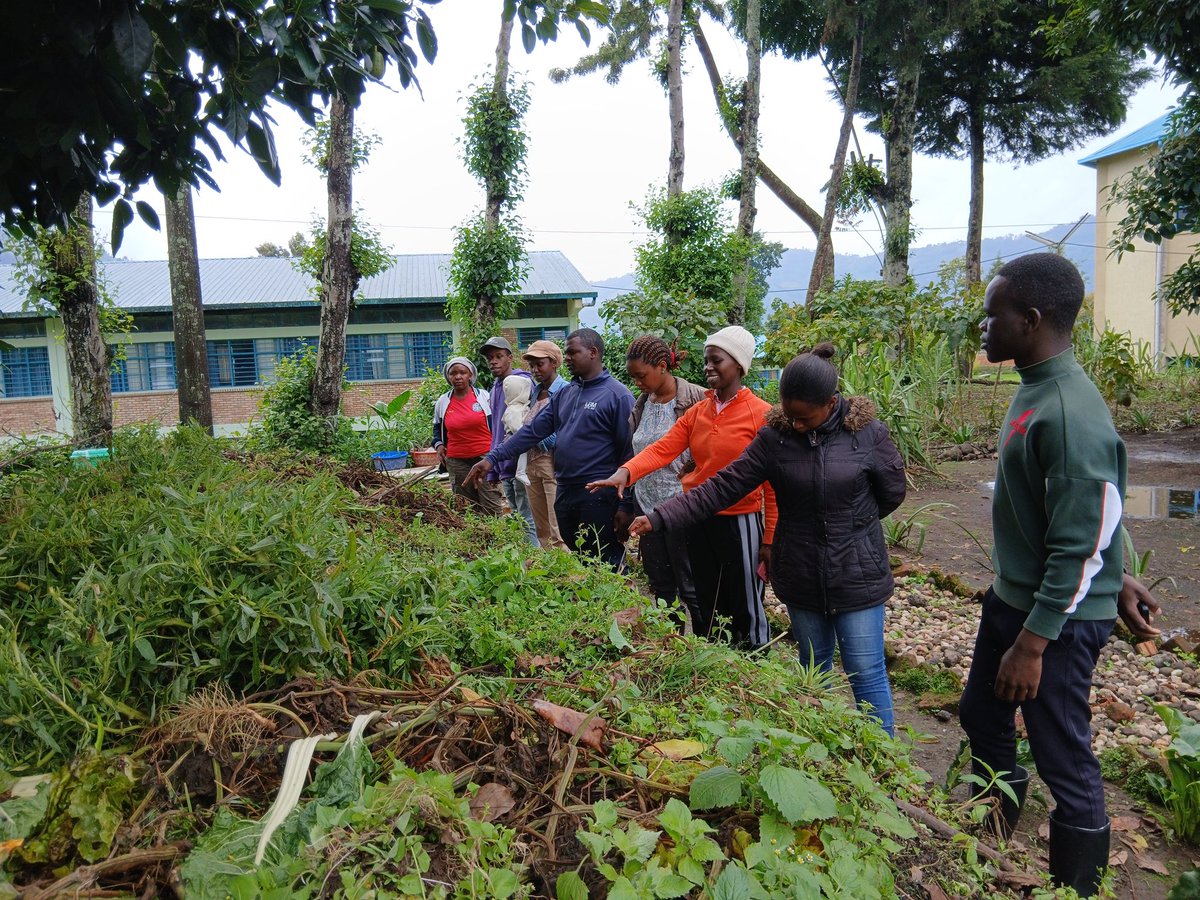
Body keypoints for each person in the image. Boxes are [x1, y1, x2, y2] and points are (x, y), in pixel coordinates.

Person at [957, 253, 1161, 897]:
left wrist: (1033, 643)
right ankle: (989, 833)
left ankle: (1075, 889)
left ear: (1031, 319)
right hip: (1015, 599)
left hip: (1054, 625)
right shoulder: (1037, 387)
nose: (983, 328)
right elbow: (1085, 509)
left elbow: (1083, 534)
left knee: (1063, 756)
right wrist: (1120, 572)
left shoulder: (1072, 414)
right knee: (980, 715)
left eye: (993, 317)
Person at [628, 343, 906, 731]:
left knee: (865, 669)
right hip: (800, 572)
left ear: (831, 402)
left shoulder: (868, 434)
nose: (795, 425)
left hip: (856, 573)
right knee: (813, 670)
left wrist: (850, 526)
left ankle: (885, 767)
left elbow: (892, 492)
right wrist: (659, 518)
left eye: (804, 418)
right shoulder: (775, 436)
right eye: (789, 415)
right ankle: (824, 753)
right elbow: (721, 487)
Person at [588, 325, 777, 649]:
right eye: (706, 360)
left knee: (744, 598)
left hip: (740, 519)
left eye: (717, 360)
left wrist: (770, 537)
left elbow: (773, 483)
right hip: (696, 517)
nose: (708, 367)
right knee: (704, 595)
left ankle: (755, 662)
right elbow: (663, 449)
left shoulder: (760, 414)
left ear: (739, 365)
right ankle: (709, 656)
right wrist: (625, 472)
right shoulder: (698, 412)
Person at [467, 329, 634, 569]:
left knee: (606, 558)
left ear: (594, 353)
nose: (567, 358)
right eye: (566, 353)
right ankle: (593, 605)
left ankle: (624, 603)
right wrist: (492, 459)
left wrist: (625, 504)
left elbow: (629, 453)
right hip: (565, 490)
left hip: (598, 494)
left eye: (572, 352)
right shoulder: (566, 394)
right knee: (579, 557)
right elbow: (531, 431)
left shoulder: (617, 396)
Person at [623, 335, 706, 630]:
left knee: (691, 582)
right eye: (632, 377)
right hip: (646, 508)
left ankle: (704, 645)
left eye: (641, 376)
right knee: (660, 583)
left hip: (683, 507)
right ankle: (670, 641)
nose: (637, 383)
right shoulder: (642, 403)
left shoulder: (697, 398)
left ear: (662, 366)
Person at [479, 336, 540, 547]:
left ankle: (537, 561)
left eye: (498, 356)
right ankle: (525, 559)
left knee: (527, 517)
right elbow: (496, 431)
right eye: (490, 358)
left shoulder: (521, 383)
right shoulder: (496, 388)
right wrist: (494, 468)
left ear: (510, 358)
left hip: (520, 462)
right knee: (517, 516)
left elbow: (526, 426)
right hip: (503, 463)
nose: (493, 361)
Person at [431, 356, 505, 516]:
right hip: (457, 461)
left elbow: (499, 423)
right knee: (466, 508)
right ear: (448, 376)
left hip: (486, 458)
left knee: (491, 504)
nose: (458, 377)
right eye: (453, 373)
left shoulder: (485, 397)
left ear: (470, 375)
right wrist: (438, 444)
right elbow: (437, 429)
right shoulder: (443, 402)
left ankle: (496, 538)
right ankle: (474, 540)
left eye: (462, 372)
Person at [521, 339, 570, 551]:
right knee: (541, 525)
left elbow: (566, 432)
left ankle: (568, 571)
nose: (535, 370)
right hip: (532, 463)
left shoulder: (566, 391)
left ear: (554, 363)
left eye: (540, 364)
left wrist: (533, 432)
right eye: (531, 365)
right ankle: (551, 571)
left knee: (556, 524)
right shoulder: (536, 391)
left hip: (552, 463)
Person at [501, 375, 534, 487]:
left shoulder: (520, 406)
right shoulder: (514, 409)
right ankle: (520, 471)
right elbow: (516, 427)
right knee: (524, 451)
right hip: (517, 437)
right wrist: (529, 434)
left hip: (519, 436)